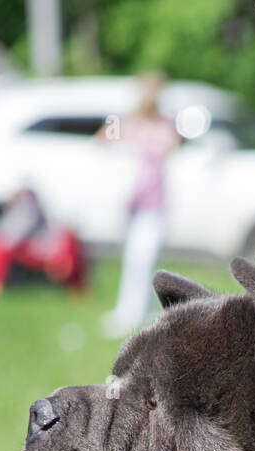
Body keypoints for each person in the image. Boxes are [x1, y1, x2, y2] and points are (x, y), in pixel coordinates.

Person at [100, 72, 180, 338]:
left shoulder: (165, 125)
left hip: (153, 206)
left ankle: (140, 313)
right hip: (131, 205)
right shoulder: (129, 123)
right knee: (134, 261)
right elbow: (103, 141)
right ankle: (130, 312)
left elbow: (172, 149)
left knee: (145, 260)